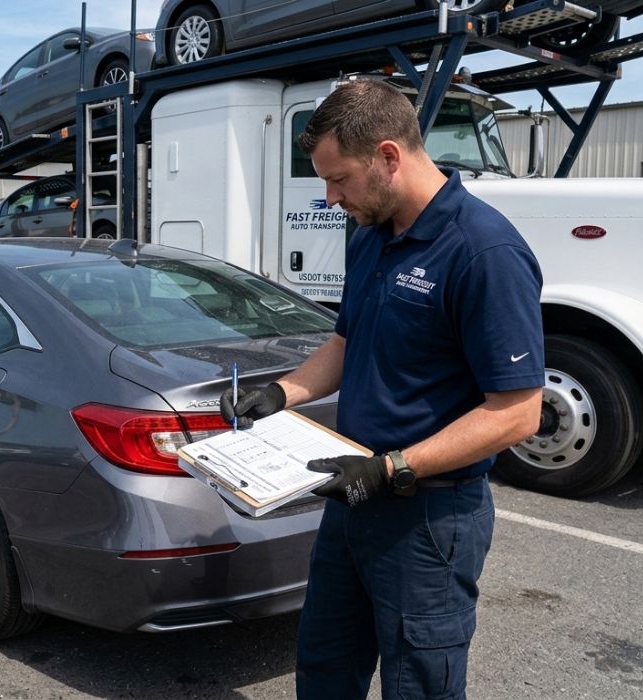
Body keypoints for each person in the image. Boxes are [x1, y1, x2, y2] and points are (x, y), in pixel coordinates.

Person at [220, 79, 544, 699]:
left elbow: (517, 413)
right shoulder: (370, 234)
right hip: (353, 501)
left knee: (418, 685)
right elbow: (347, 341)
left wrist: (395, 467)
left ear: (389, 157)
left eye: (338, 179)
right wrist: (283, 392)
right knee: (324, 669)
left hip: (427, 518)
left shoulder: (484, 251)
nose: (329, 196)